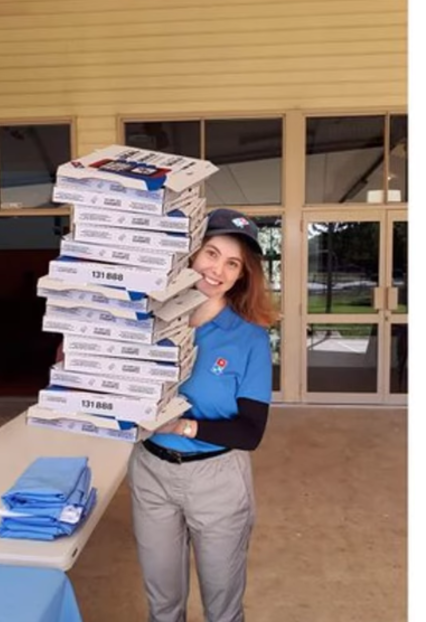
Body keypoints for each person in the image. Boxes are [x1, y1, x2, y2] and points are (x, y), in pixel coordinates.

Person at [129, 208, 279, 622]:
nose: (218, 270)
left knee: (222, 608)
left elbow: (250, 432)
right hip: (151, 471)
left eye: (233, 264)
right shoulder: (151, 319)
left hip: (217, 479)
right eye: (211, 254)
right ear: (191, 253)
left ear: (242, 275)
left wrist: (182, 426)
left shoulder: (248, 338)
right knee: (162, 604)